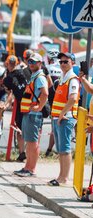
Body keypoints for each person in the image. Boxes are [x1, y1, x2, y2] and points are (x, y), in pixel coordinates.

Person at [13, 53, 48, 177]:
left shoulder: (40, 77)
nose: (31, 64)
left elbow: (45, 93)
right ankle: (27, 167)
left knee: (33, 143)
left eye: (34, 62)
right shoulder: (34, 76)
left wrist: (39, 107)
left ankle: (31, 169)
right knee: (29, 142)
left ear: (40, 63)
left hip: (33, 115)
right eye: (30, 61)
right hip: (29, 113)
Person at [48, 52, 80, 186]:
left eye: (65, 61)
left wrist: (61, 114)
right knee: (61, 149)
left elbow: (72, 99)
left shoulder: (72, 78)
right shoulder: (63, 77)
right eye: (60, 62)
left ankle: (64, 178)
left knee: (65, 149)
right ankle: (60, 176)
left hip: (66, 118)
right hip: (59, 117)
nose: (62, 64)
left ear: (72, 63)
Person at [3, 55, 28, 162]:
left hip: (21, 105)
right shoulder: (25, 72)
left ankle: (22, 152)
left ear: (7, 64)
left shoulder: (7, 79)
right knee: (31, 130)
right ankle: (27, 153)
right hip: (33, 102)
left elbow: (10, 93)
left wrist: (6, 105)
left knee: (19, 130)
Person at [45, 49, 62, 157]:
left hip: (50, 101)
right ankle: (51, 150)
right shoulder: (62, 68)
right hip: (61, 100)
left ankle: (49, 151)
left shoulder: (47, 68)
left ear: (49, 58)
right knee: (58, 126)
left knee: (54, 127)